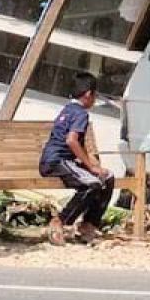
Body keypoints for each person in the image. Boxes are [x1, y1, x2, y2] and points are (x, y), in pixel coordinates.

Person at [39, 73, 114, 245]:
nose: (94, 100)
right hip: (56, 161)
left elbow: (78, 144)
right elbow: (71, 141)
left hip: (66, 161)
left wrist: (93, 165)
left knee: (108, 178)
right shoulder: (80, 113)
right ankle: (60, 222)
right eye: (95, 96)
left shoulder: (68, 109)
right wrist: (91, 167)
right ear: (88, 94)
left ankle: (89, 224)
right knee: (91, 184)